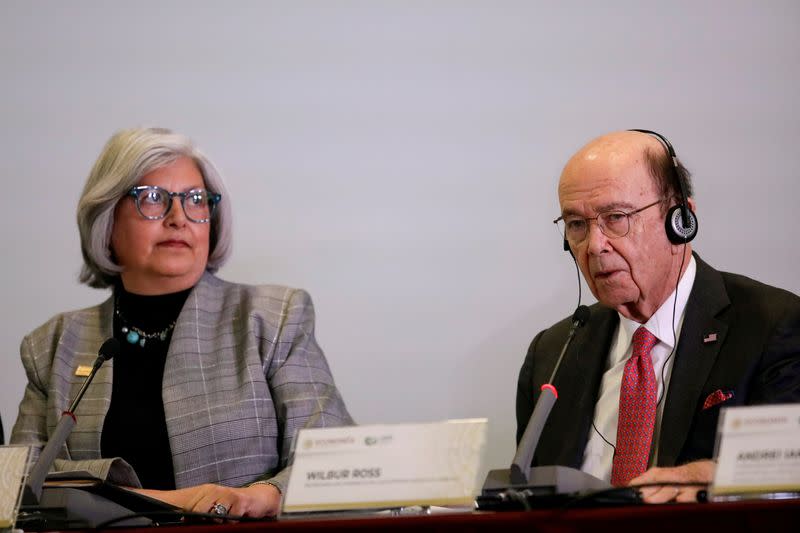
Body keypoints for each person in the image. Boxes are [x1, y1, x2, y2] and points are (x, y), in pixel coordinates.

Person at [10, 127, 353, 518]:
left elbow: (332, 465)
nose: (178, 218)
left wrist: (263, 495)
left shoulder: (272, 319)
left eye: (195, 200)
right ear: (107, 220)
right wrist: (185, 501)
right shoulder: (54, 345)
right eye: (152, 199)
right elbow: (18, 492)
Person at [516, 130, 800, 503]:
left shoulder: (772, 327)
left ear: (681, 220)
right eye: (577, 225)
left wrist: (718, 477)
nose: (595, 246)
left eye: (616, 217)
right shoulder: (552, 355)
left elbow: (789, 472)